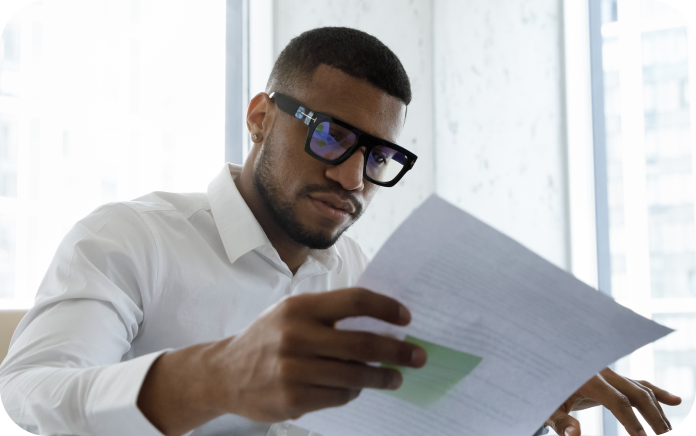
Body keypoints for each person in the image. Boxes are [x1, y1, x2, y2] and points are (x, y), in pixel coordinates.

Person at [0, 27, 681, 436]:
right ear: (261, 117)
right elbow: (29, 400)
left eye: (380, 157)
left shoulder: (361, 272)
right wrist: (217, 376)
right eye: (331, 136)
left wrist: (523, 393)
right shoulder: (126, 240)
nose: (354, 179)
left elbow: (409, 410)